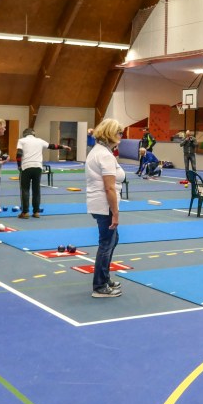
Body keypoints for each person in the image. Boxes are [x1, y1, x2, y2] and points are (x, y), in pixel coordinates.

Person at [85, 118, 126, 298]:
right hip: (104, 204)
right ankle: (100, 286)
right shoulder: (105, 155)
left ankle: (104, 278)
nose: (121, 136)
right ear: (110, 133)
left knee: (112, 240)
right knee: (107, 243)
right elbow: (109, 187)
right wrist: (115, 213)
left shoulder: (99, 151)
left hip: (99, 203)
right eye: (119, 133)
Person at [17, 127, 70, 218]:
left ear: (24, 134)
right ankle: (36, 212)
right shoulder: (39, 141)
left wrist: (19, 165)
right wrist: (63, 147)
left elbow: (19, 154)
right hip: (38, 167)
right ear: (33, 134)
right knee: (36, 190)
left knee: (25, 189)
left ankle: (25, 212)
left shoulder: (21, 141)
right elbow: (52, 146)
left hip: (26, 167)